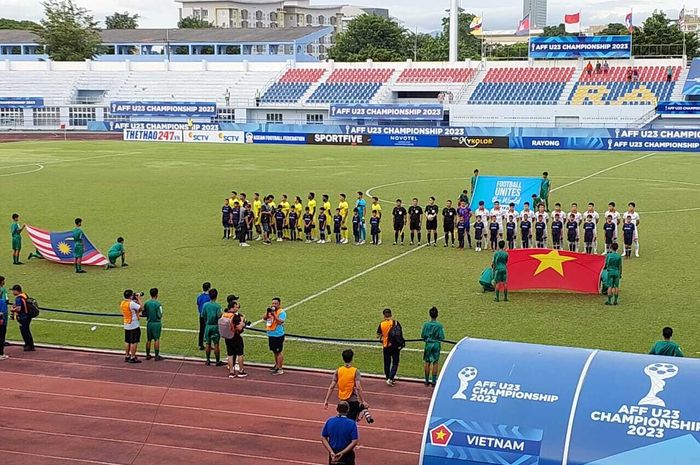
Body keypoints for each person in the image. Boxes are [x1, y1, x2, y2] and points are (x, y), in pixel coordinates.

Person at [323, 349, 370, 423]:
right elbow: (358, 387)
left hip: (342, 402)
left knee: (342, 422)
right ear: (352, 358)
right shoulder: (355, 371)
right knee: (351, 423)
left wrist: (326, 400)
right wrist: (363, 401)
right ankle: (361, 413)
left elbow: (332, 386)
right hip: (352, 401)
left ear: (343, 358)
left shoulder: (338, 370)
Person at [421, 307, 445, 387]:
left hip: (428, 344)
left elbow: (423, 335)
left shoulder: (426, 325)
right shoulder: (439, 325)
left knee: (427, 362)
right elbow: (442, 337)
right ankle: (434, 381)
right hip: (436, 345)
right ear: (437, 315)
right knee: (435, 362)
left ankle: (427, 381)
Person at [223, 297, 247, 378]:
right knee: (240, 354)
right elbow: (240, 328)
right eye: (236, 306)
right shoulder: (235, 317)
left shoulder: (224, 315)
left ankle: (231, 372)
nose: (237, 308)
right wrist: (243, 321)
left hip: (227, 337)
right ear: (232, 307)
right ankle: (241, 370)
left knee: (230, 355)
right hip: (236, 337)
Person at [376, 308, 400, 386]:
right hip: (395, 345)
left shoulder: (382, 324)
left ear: (384, 315)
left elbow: (378, 335)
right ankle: (390, 378)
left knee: (387, 363)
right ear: (391, 315)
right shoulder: (396, 323)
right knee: (395, 363)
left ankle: (388, 378)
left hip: (386, 345)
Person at [264, 297, 286, 375]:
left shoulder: (281, 312)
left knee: (278, 352)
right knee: (274, 351)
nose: (274, 305)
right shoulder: (271, 311)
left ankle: (280, 369)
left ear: (279, 304)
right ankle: (276, 365)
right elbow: (264, 318)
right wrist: (267, 313)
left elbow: (280, 322)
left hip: (278, 335)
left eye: (275, 303)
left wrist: (274, 315)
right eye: (273, 303)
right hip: (271, 334)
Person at [202, 288, 223, 366]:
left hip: (208, 326)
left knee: (208, 343)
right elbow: (220, 316)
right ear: (216, 296)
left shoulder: (205, 305)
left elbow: (203, 315)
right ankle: (217, 361)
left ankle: (208, 360)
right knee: (216, 344)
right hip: (215, 326)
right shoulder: (218, 306)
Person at [120, 289, 143, 363]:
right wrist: (139, 299)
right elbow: (141, 308)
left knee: (127, 341)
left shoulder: (123, 303)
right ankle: (132, 357)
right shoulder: (131, 304)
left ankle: (127, 356)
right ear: (130, 296)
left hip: (126, 324)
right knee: (134, 341)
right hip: (134, 325)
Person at [144, 288, 164, 361]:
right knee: (156, 339)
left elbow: (144, 313)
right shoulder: (158, 304)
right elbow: (160, 315)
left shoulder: (147, 303)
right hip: (156, 323)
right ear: (157, 294)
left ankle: (147, 354)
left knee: (149, 339)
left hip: (149, 323)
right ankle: (156, 355)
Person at [196, 282, 211, 350]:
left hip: (201, 315)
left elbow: (198, 304)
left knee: (201, 330)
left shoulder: (199, 296)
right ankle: (208, 344)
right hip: (207, 316)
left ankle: (200, 344)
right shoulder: (209, 297)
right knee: (208, 330)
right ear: (209, 288)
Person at [0, 276, 8, 359]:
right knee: (1, 336)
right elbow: (6, 300)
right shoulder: (3, 290)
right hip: (2, 321)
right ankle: (1, 354)